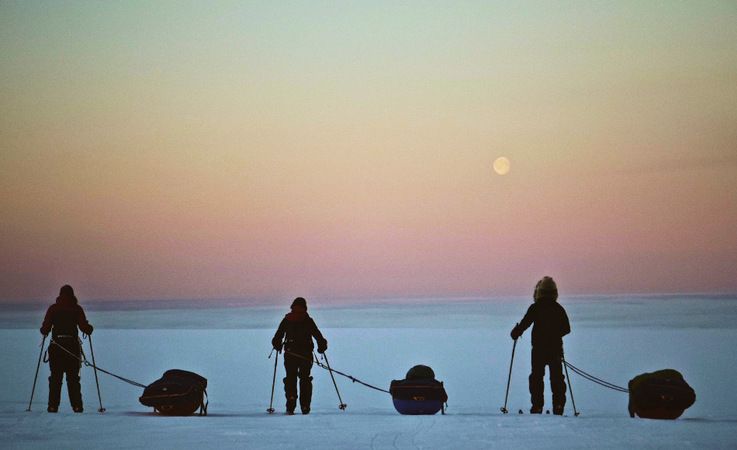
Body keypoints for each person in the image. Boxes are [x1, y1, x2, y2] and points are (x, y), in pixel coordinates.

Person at [510, 276, 570, 415]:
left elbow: (525, 323)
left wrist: (516, 333)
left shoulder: (535, 307)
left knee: (536, 378)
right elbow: (566, 328)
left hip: (538, 349)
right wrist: (555, 334)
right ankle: (558, 406)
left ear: (539, 292)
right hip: (555, 349)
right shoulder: (558, 308)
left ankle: (537, 406)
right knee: (557, 379)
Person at [40, 285, 94, 413]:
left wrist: (44, 330)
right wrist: (89, 329)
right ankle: (77, 406)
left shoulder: (53, 308)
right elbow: (84, 327)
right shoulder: (76, 308)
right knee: (73, 379)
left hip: (56, 347)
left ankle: (53, 406)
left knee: (55, 378)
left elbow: (45, 328)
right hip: (72, 347)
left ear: (60, 295)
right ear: (72, 295)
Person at [271, 297, 328, 415]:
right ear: (305, 307)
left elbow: (277, 337)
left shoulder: (287, 319)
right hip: (305, 355)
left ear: (292, 306)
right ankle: (305, 405)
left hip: (290, 354)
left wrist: (277, 345)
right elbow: (318, 336)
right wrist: (321, 347)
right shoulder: (308, 320)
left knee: (290, 378)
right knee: (305, 378)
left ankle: (291, 403)